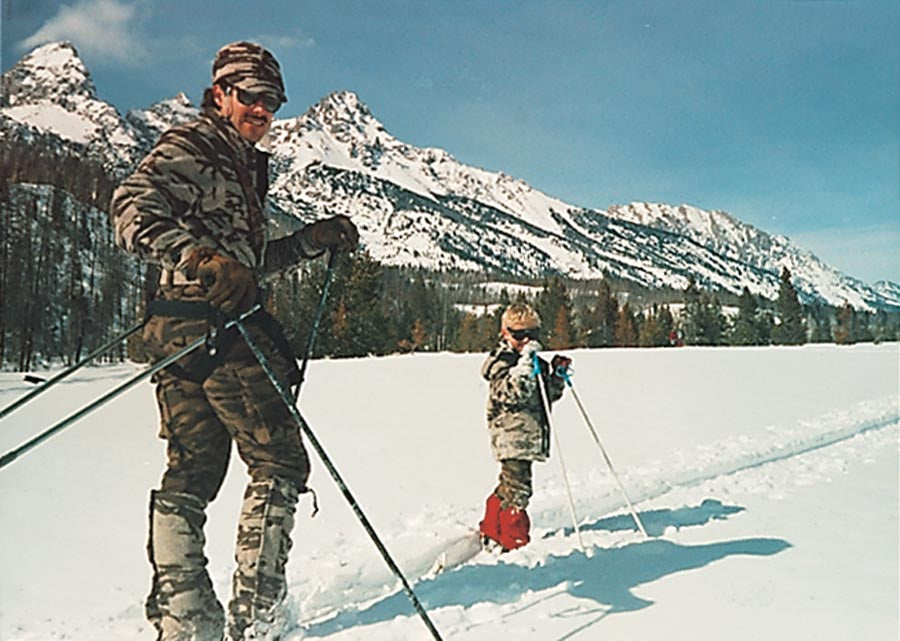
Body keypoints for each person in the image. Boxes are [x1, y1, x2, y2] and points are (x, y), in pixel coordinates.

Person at [110, 41, 358, 641]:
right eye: (250, 97)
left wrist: (307, 243)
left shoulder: (240, 159)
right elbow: (128, 211)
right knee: (278, 460)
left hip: (177, 330)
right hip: (216, 331)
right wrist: (202, 259)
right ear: (219, 93)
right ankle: (257, 620)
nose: (262, 110)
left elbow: (243, 264)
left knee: (192, 472)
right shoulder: (195, 146)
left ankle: (184, 618)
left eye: (272, 102)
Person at [478, 303, 572, 551]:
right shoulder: (502, 362)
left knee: (510, 485)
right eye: (519, 335)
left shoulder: (533, 361)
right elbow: (513, 392)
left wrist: (556, 377)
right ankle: (514, 541)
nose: (526, 340)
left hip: (530, 433)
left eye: (533, 334)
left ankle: (491, 528)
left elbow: (545, 395)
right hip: (511, 434)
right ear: (505, 332)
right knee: (519, 490)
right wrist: (525, 365)